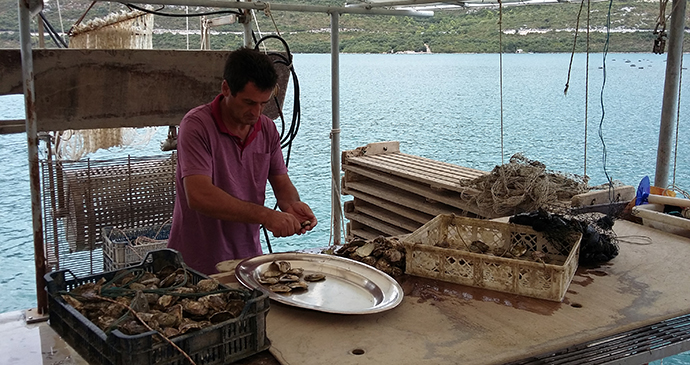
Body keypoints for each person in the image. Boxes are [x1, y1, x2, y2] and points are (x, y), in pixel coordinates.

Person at [168, 47, 317, 275]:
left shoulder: (267, 129)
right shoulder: (196, 125)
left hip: (249, 259)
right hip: (196, 263)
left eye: (263, 103)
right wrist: (267, 216)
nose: (256, 112)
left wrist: (292, 206)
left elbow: (282, 183)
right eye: (249, 102)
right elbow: (198, 196)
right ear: (226, 88)